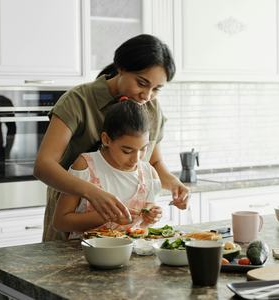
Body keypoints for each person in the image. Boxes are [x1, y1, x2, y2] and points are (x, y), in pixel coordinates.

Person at [34, 34, 190, 241]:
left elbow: (153, 162)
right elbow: (43, 165)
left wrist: (174, 184)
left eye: (156, 89)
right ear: (121, 68)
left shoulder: (151, 108)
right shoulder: (78, 101)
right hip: (73, 225)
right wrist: (92, 193)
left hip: (125, 235)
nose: (147, 95)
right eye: (141, 83)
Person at [53, 100, 163, 239]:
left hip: (132, 255)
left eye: (143, 149)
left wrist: (152, 217)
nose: (136, 159)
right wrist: (105, 216)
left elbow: (145, 225)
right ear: (106, 139)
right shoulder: (86, 165)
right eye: (127, 151)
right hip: (85, 254)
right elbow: (60, 222)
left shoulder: (149, 173)